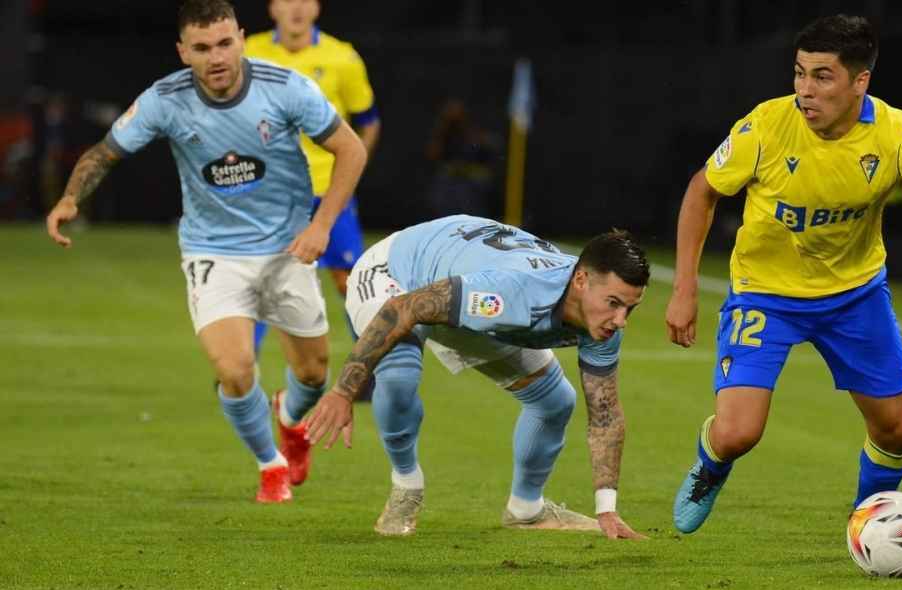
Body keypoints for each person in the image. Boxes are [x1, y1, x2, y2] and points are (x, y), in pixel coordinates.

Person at [663, 15, 902, 533]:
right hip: (765, 293)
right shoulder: (765, 125)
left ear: (861, 82)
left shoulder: (897, 136)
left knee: (896, 429)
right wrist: (684, 288)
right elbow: (703, 190)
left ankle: (870, 520)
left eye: (822, 76)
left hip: (855, 295)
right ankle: (709, 467)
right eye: (799, 73)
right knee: (739, 432)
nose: (804, 91)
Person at [44, 0, 367, 502]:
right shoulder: (164, 100)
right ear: (182, 52)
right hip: (213, 252)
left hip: (289, 248)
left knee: (312, 373)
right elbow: (105, 152)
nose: (215, 57)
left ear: (240, 38)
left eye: (223, 43)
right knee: (235, 369)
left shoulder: (285, 88)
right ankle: (270, 465)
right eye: (201, 48)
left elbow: (351, 148)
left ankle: (288, 417)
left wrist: (323, 225)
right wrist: (69, 198)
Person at [305, 216, 649, 540]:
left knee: (555, 401)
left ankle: (526, 510)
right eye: (614, 303)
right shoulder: (510, 293)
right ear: (581, 281)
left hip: (463, 295)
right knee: (398, 379)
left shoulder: (601, 323)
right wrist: (342, 391)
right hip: (396, 276)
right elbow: (404, 308)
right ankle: (406, 484)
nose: (621, 321)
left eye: (629, 308)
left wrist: (607, 510)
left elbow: (605, 416)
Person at [245, 0, 382, 359]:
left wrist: (349, 175)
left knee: (350, 280)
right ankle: (243, 368)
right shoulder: (248, 52)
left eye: (305, 0)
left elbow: (368, 123)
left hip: (327, 190)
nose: (297, 8)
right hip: (268, 190)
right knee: (261, 279)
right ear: (273, 7)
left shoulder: (343, 58)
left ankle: (367, 365)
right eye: (287, 0)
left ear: (317, 8)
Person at [425, 98, 499, 218]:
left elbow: (487, 149)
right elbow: (433, 154)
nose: (454, 116)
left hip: (471, 178)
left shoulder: (472, 132)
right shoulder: (444, 134)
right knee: (441, 197)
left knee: (468, 199)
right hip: (451, 178)